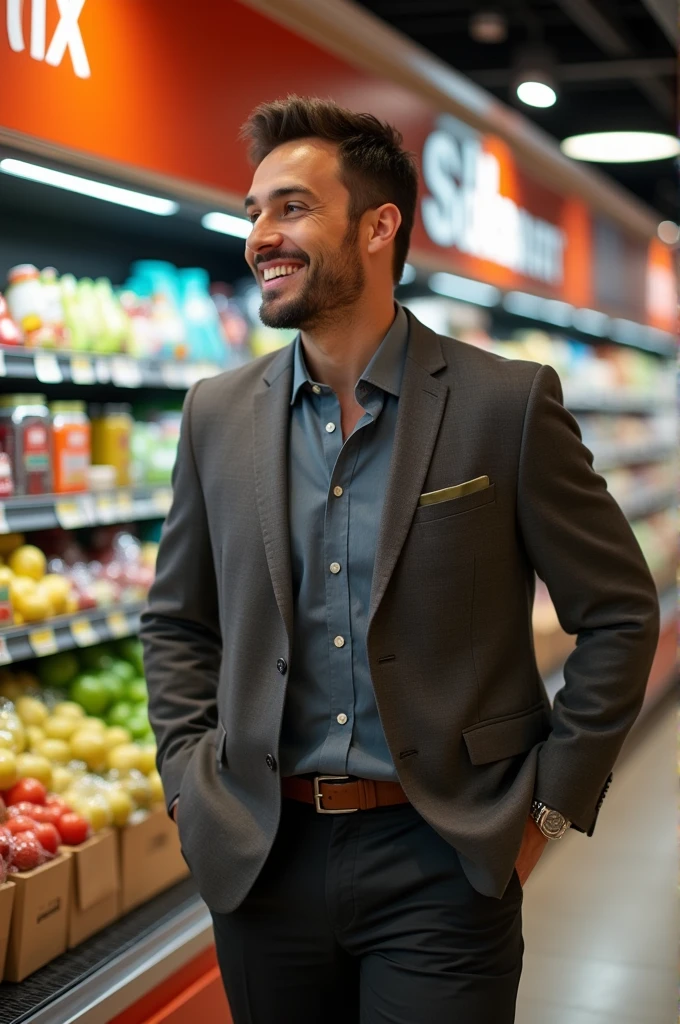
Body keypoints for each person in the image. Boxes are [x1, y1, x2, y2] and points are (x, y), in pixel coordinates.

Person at [140, 96, 659, 1024]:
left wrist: (544, 813)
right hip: (262, 856)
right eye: (253, 210)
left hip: (445, 857)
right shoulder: (214, 415)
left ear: (379, 227)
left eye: (291, 207)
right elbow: (180, 621)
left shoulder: (505, 404)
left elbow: (619, 611)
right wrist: (189, 783)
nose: (261, 235)